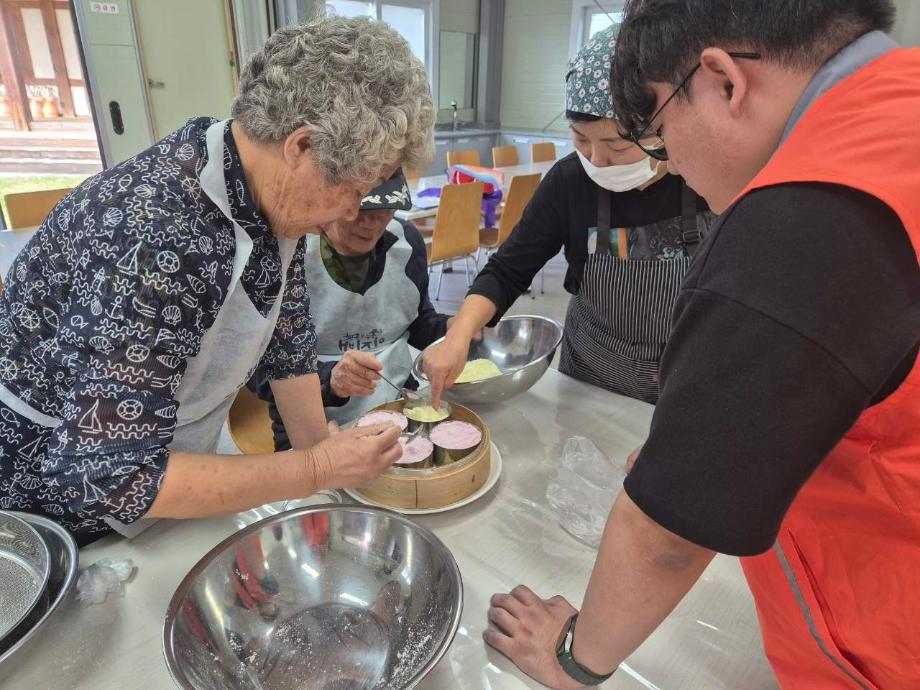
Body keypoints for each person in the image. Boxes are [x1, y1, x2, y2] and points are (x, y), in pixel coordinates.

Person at [482, 1, 920, 688]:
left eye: (656, 134)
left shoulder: (807, 215)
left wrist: (575, 659)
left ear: (721, 81)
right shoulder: (902, 105)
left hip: (884, 636)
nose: (673, 166)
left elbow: (667, 538)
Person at [0, 16, 436, 545]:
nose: (354, 211)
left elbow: (287, 336)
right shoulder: (157, 236)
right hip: (59, 516)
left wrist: (321, 453)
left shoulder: (263, 185)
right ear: (301, 148)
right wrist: (316, 469)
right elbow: (108, 475)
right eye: (357, 190)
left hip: (172, 467)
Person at [423, 25, 715, 408]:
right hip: (592, 375)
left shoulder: (707, 177)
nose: (596, 159)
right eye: (581, 139)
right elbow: (508, 270)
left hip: (685, 381)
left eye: (616, 144)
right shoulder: (570, 181)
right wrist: (459, 333)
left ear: (661, 129)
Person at [249, 169, 450, 448]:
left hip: (398, 405)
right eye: (360, 209)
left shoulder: (406, 242)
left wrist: (453, 331)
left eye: (385, 210)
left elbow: (415, 322)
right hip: (314, 419)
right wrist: (329, 380)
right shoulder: (287, 251)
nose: (371, 223)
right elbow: (252, 370)